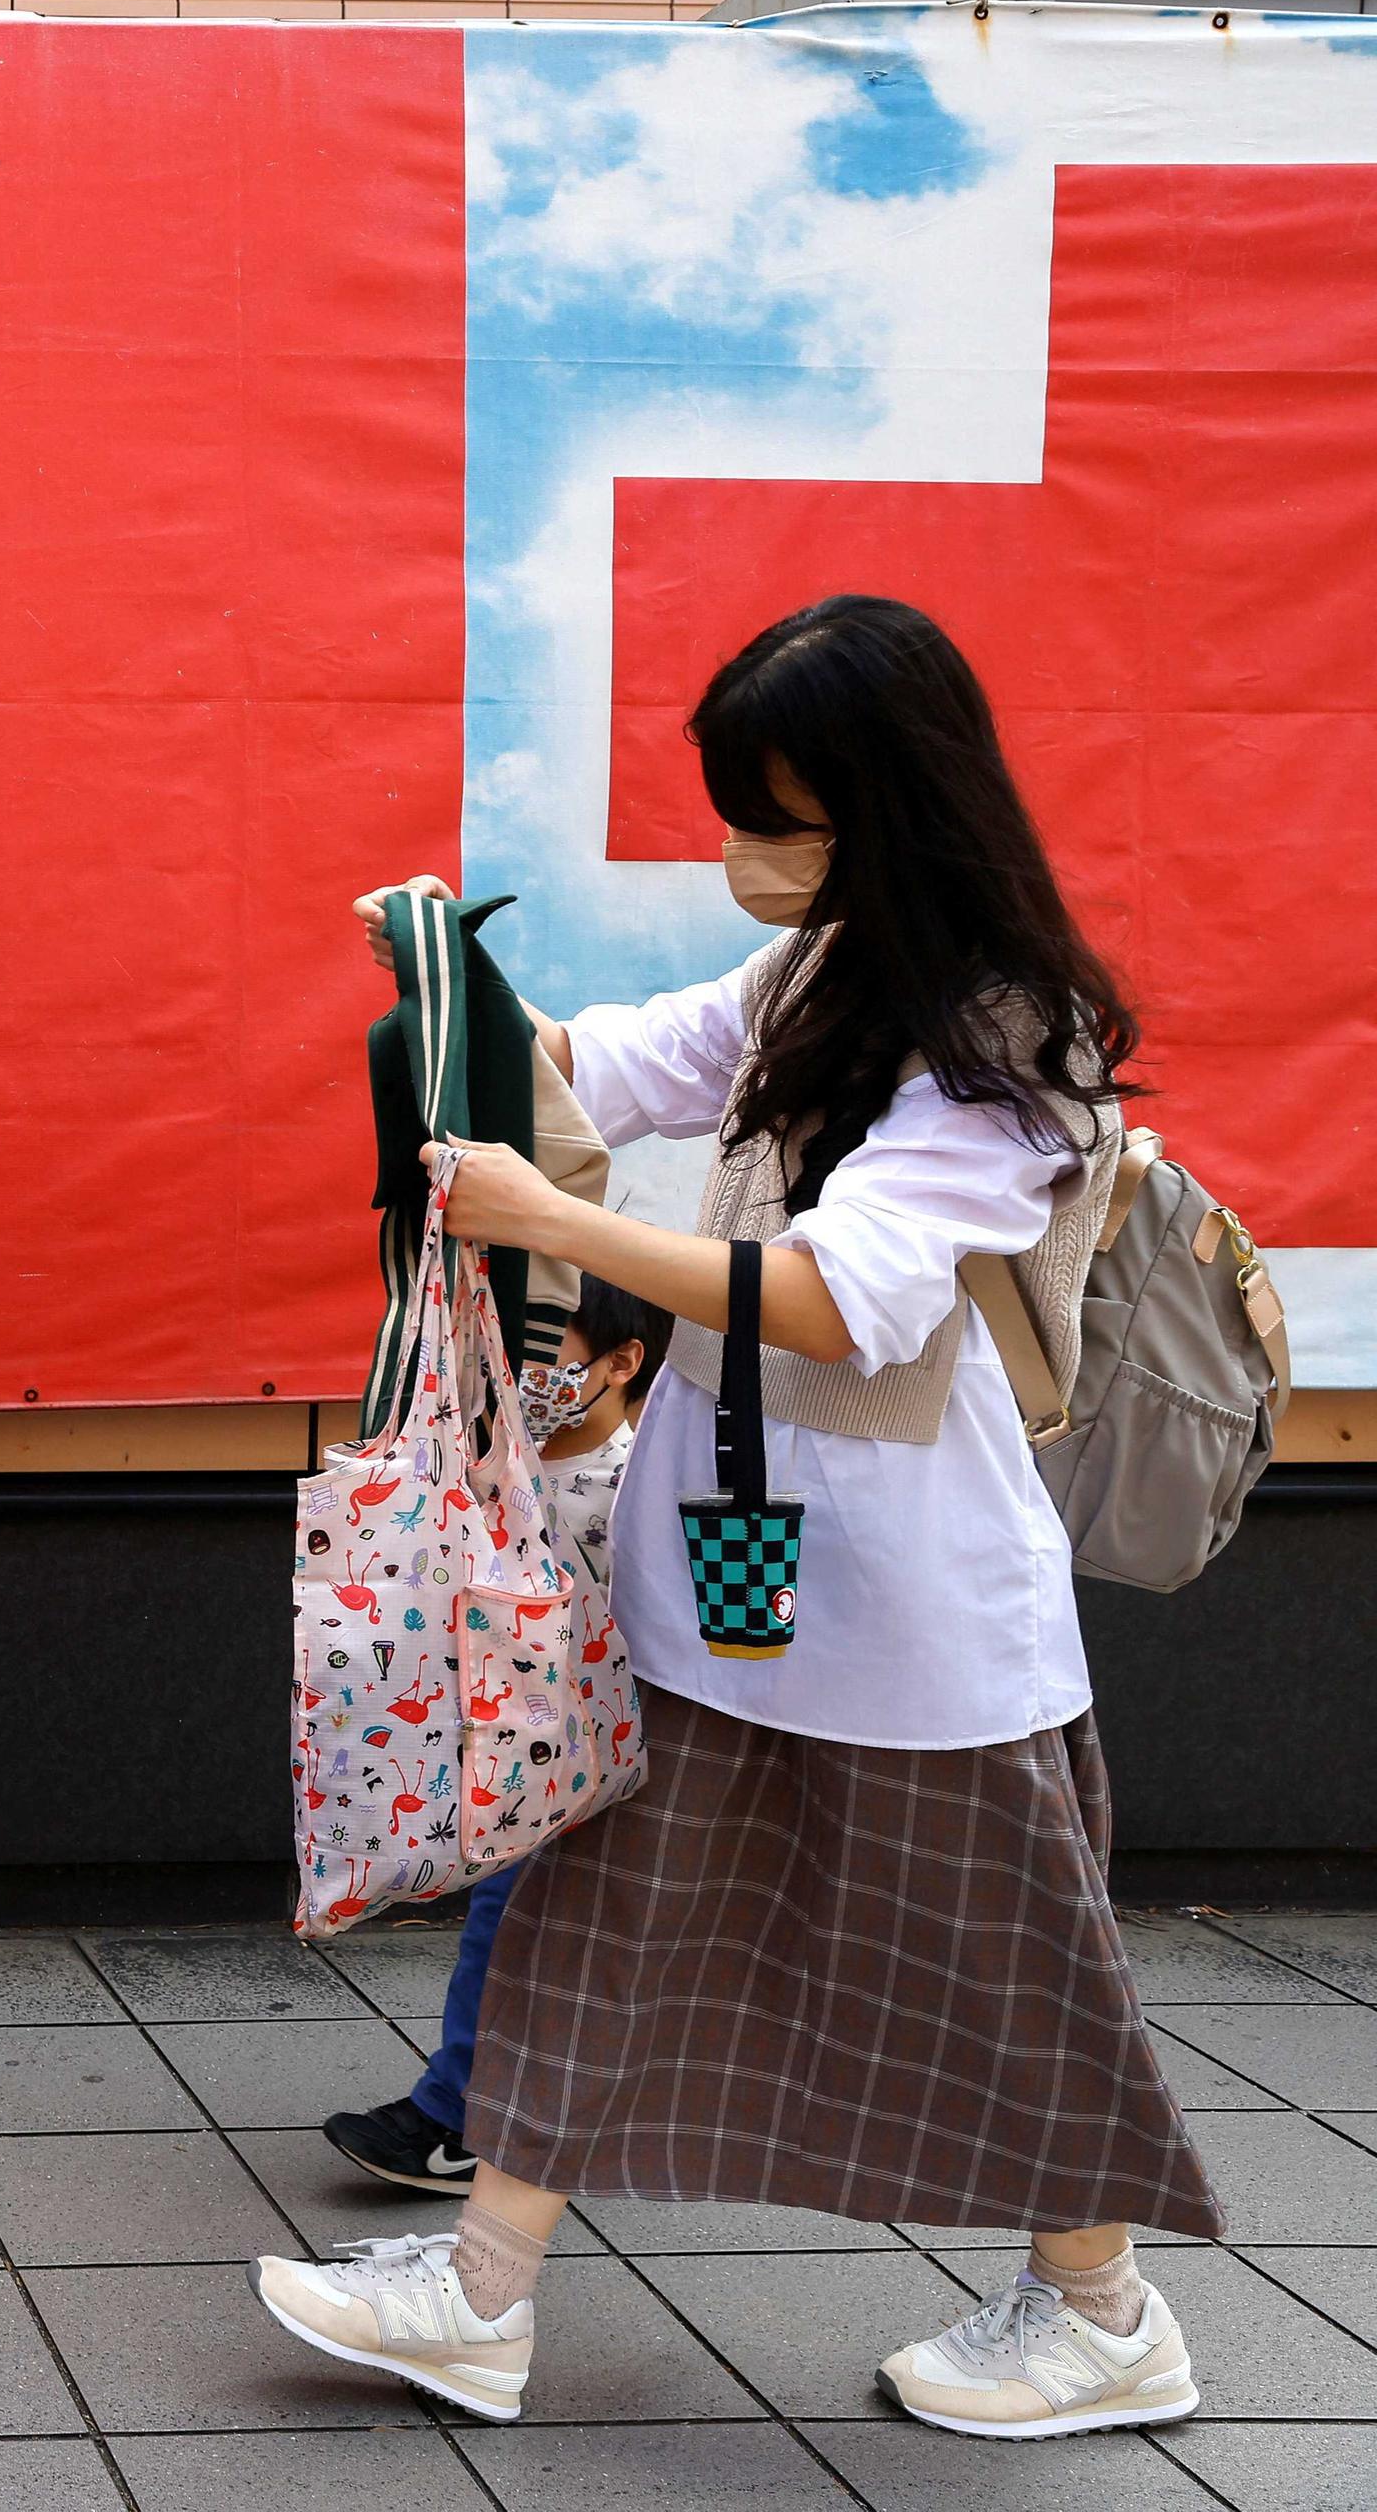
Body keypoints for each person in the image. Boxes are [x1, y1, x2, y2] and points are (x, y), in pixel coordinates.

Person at [249, 594, 1219, 2439]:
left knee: (1009, 1976)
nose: (747, 853)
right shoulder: (823, 969)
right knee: (596, 1914)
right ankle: (479, 2289)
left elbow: (852, 1298)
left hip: (918, 1612)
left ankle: (1102, 2315)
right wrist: (454, 1012)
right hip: (727, 1569)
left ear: (890, 805)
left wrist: (567, 1229)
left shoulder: (1012, 1030)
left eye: (780, 812)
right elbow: (615, 1066)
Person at [322, 1274, 667, 2194]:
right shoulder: (504, 1466)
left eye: (548, 1354)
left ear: (623, 1364)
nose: (522, 1379)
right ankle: (491, 2112)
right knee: (522, 1930)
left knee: (508, 1923)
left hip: (596, 1755)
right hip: (511, 1744)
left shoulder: (641, 1484)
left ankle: (456, 2119)